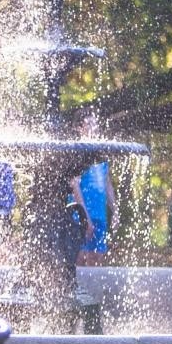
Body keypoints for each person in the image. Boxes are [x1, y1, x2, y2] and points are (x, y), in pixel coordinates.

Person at [71, 110, 115, 264]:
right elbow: (74, 185)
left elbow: (107, 182)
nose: (94, 128)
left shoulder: (101, 152)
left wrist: (115, 210)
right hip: (80, 216)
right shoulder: (77, 152)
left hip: (100, 215)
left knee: (97, 259)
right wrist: (85, 218)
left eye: (95, 124)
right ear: (79, 128)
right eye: (89, 124)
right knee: (79, 259)